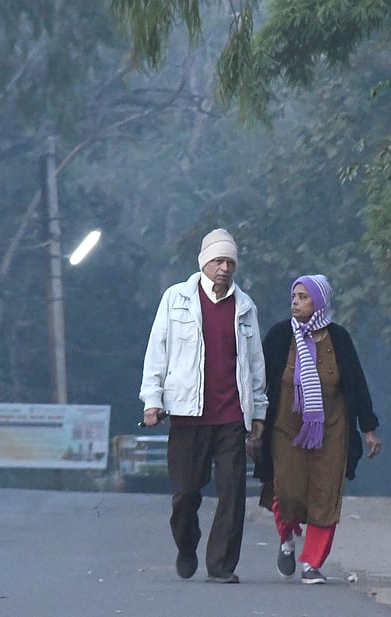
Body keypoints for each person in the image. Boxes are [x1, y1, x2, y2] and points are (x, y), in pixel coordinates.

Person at [139, 228, 267, 584]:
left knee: (232, 492)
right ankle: (186, 542)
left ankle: (221, 564)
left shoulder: (245, 307)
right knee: (185, 493)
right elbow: (157, 352)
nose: (224, 268)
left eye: (229, 262)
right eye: (218, 261)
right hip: (186, 413)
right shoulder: (176, 299)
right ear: (204, 262)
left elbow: (255, 365)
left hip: (230, 415)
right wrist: (152, 399)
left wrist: (258, 412)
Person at [252, 274, 381, 584]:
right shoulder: (281, 336)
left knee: (326, 494)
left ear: (320, 302)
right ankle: (287, 540)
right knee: (288, 490)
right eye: (294, 296)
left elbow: (357, 384)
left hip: (331, 430)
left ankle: (312, 563)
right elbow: (259, 382)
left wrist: (369, 428)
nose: (295, 302)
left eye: (303, 297)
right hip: (286, 429)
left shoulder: (339, 338)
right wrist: (255, 424)